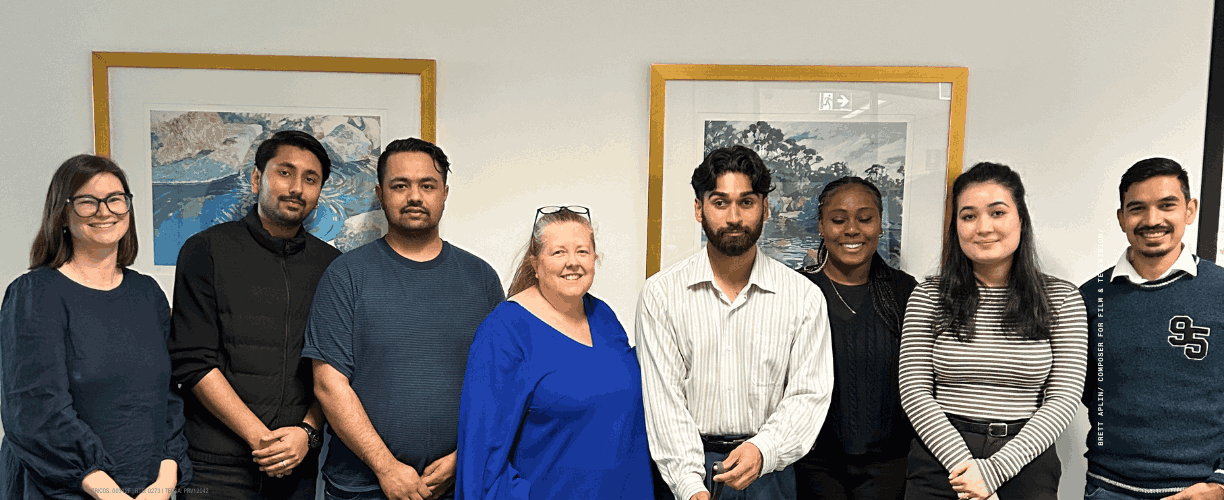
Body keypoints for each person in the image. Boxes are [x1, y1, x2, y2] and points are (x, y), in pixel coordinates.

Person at [304, 137, 504, 500]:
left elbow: (500, 385)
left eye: (427, 185)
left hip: (458, 484)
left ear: (444, 193)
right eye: (400, 185)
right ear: (380, 194)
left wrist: (463, 457)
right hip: (361, 487)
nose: (415, 196)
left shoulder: (482, 279)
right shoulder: (345, 275)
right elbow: (329, 385)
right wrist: (386, 467)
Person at [636, 144, 834, 500]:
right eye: (719, 202)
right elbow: (664, 402)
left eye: (746, 202)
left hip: (769, 469)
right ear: (699, 209)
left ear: (765, 208)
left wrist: (764, 450)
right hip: (688, 469)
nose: (733, 217)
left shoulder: (803, 298)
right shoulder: (661, 295)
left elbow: (809, 395)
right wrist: (690, 487)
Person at [0, 154, 191, 500]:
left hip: (146, 489)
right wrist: (110, 494)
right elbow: (34, 411)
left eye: (116, 199)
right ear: (62, 214)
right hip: (67, 490)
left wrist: (164, 483)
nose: (105, 211)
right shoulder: (35, 294)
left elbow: (168, 400)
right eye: (88, 201)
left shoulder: (147, 294)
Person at [898, 162, 1087, 500]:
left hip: (1026, 458)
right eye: (968, 216)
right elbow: (914, 392)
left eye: (997, 212)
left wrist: (993, 471)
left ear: (1021, 219)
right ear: (956, 225)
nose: (983, 228)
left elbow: (1064, 399)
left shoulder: (1061, 298)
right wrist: (967, 471)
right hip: (942, 459)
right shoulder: (928, 295)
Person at [168, 130, 341, 499]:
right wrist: (263, 440)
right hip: (215, 466)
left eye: (310, 179)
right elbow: (192, 360)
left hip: (297, 464)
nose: (297, 187)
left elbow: (336, 366)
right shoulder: (206, 250)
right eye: (285, 172)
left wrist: (306, 433)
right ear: (256, 178)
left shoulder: (332, 266)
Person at [455, 205, 652, 499]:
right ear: (535, 263)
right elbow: (480, 461)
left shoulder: (604, 317)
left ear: (595, 258)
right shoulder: (504, 332)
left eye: (582, 252)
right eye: (558, 252)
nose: (572, 263)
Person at [1081, 157, 1224, 500]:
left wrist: (1221, 484)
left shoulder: (1221, 292)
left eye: (1167, 205)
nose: (1152, 220)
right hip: (1109, 488)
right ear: (1121, 218)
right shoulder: (1087, 298)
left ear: (1190, 210)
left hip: (1200, 491)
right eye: (1137, 208)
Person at [794, 177, 917, 500]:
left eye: (865, 219)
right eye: (838, 220)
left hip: (891, 469)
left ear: (880, 225)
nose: (852, 229)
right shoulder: (795, 292)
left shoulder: (906, 293)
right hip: (810, 467)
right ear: (821, 225)